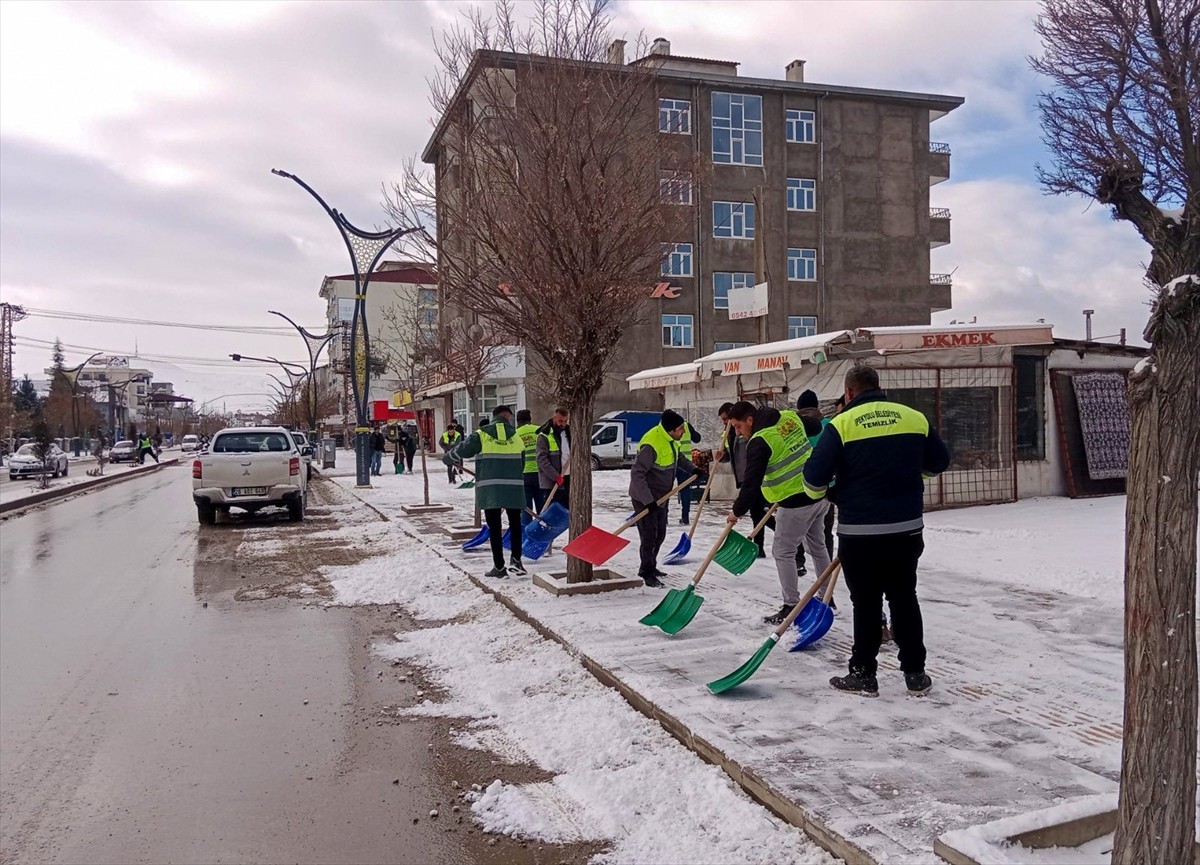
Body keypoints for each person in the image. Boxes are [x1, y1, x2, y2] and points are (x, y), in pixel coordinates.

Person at [803, 365, 949, 697]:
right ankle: (916, 674)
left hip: (860, 533)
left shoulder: (840, 425)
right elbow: (938, 463)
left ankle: (864, 674)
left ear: (849, 392)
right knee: (905, 598)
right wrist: (908, 477)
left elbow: (813, 479)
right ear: (877, 387)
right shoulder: (913, 417)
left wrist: (830, 493)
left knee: (866, 603)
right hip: (907, 530)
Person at [725, 401, 828, 625]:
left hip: (795, 502)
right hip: (819, 493)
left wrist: (736, 511)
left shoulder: (760, 441)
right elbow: (816, 427)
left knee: (783, 552)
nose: (737, 432)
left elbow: (751, 484)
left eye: (738, 426)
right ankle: (826, 597)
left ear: (750, 420)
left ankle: (791, 605)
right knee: (818, 547)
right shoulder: (788, 417)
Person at [445, 405, 527, 578]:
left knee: (494, 527)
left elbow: (463, 450)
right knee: (515, 523)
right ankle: (517, 561)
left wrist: (448, 458)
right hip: (514, 487)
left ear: (494, 416)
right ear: (507, 417)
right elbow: (523, 462)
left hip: (490, 489)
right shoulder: (517, 437)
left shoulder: (481, 434)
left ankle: (499, 567)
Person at [628, 410, 698, 588]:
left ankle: (652, 566)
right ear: (671, 430)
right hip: (646, 498)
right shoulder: (651, 443)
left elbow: (678, 458)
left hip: (661, 497)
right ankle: (646, 572)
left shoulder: (671, 440)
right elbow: (637, 474)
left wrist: (693, 469)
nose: (683, 432)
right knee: (649, 536)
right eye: (680, 429)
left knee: (660, 535)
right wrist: (647, 500)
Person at [536, 408, 570, 510]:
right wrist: (555, 476)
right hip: (552, 481)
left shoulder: (569, 432)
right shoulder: (545, 435)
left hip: (568, 477)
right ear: (554, 418)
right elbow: (542, 459)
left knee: (566, 510)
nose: (563, 424)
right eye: (560, 421)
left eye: (565, 421)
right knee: (553, 510)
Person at [515, 410, 545, 525]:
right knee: (542, 506)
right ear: (530, 419)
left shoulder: (516, 434)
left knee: (525, 508)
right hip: (540, 474)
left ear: (518, 421)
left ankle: (527, 532)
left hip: (523, 474)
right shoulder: (539, 431)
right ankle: (541, 530)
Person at [675, 417, 702, 526]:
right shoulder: (686, 425)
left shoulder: (664, 427)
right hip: (686, 465)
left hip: (670, 462)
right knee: (685, 490)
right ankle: (685, 517)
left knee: (665, 491)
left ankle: (663, 518)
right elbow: (697, 438)